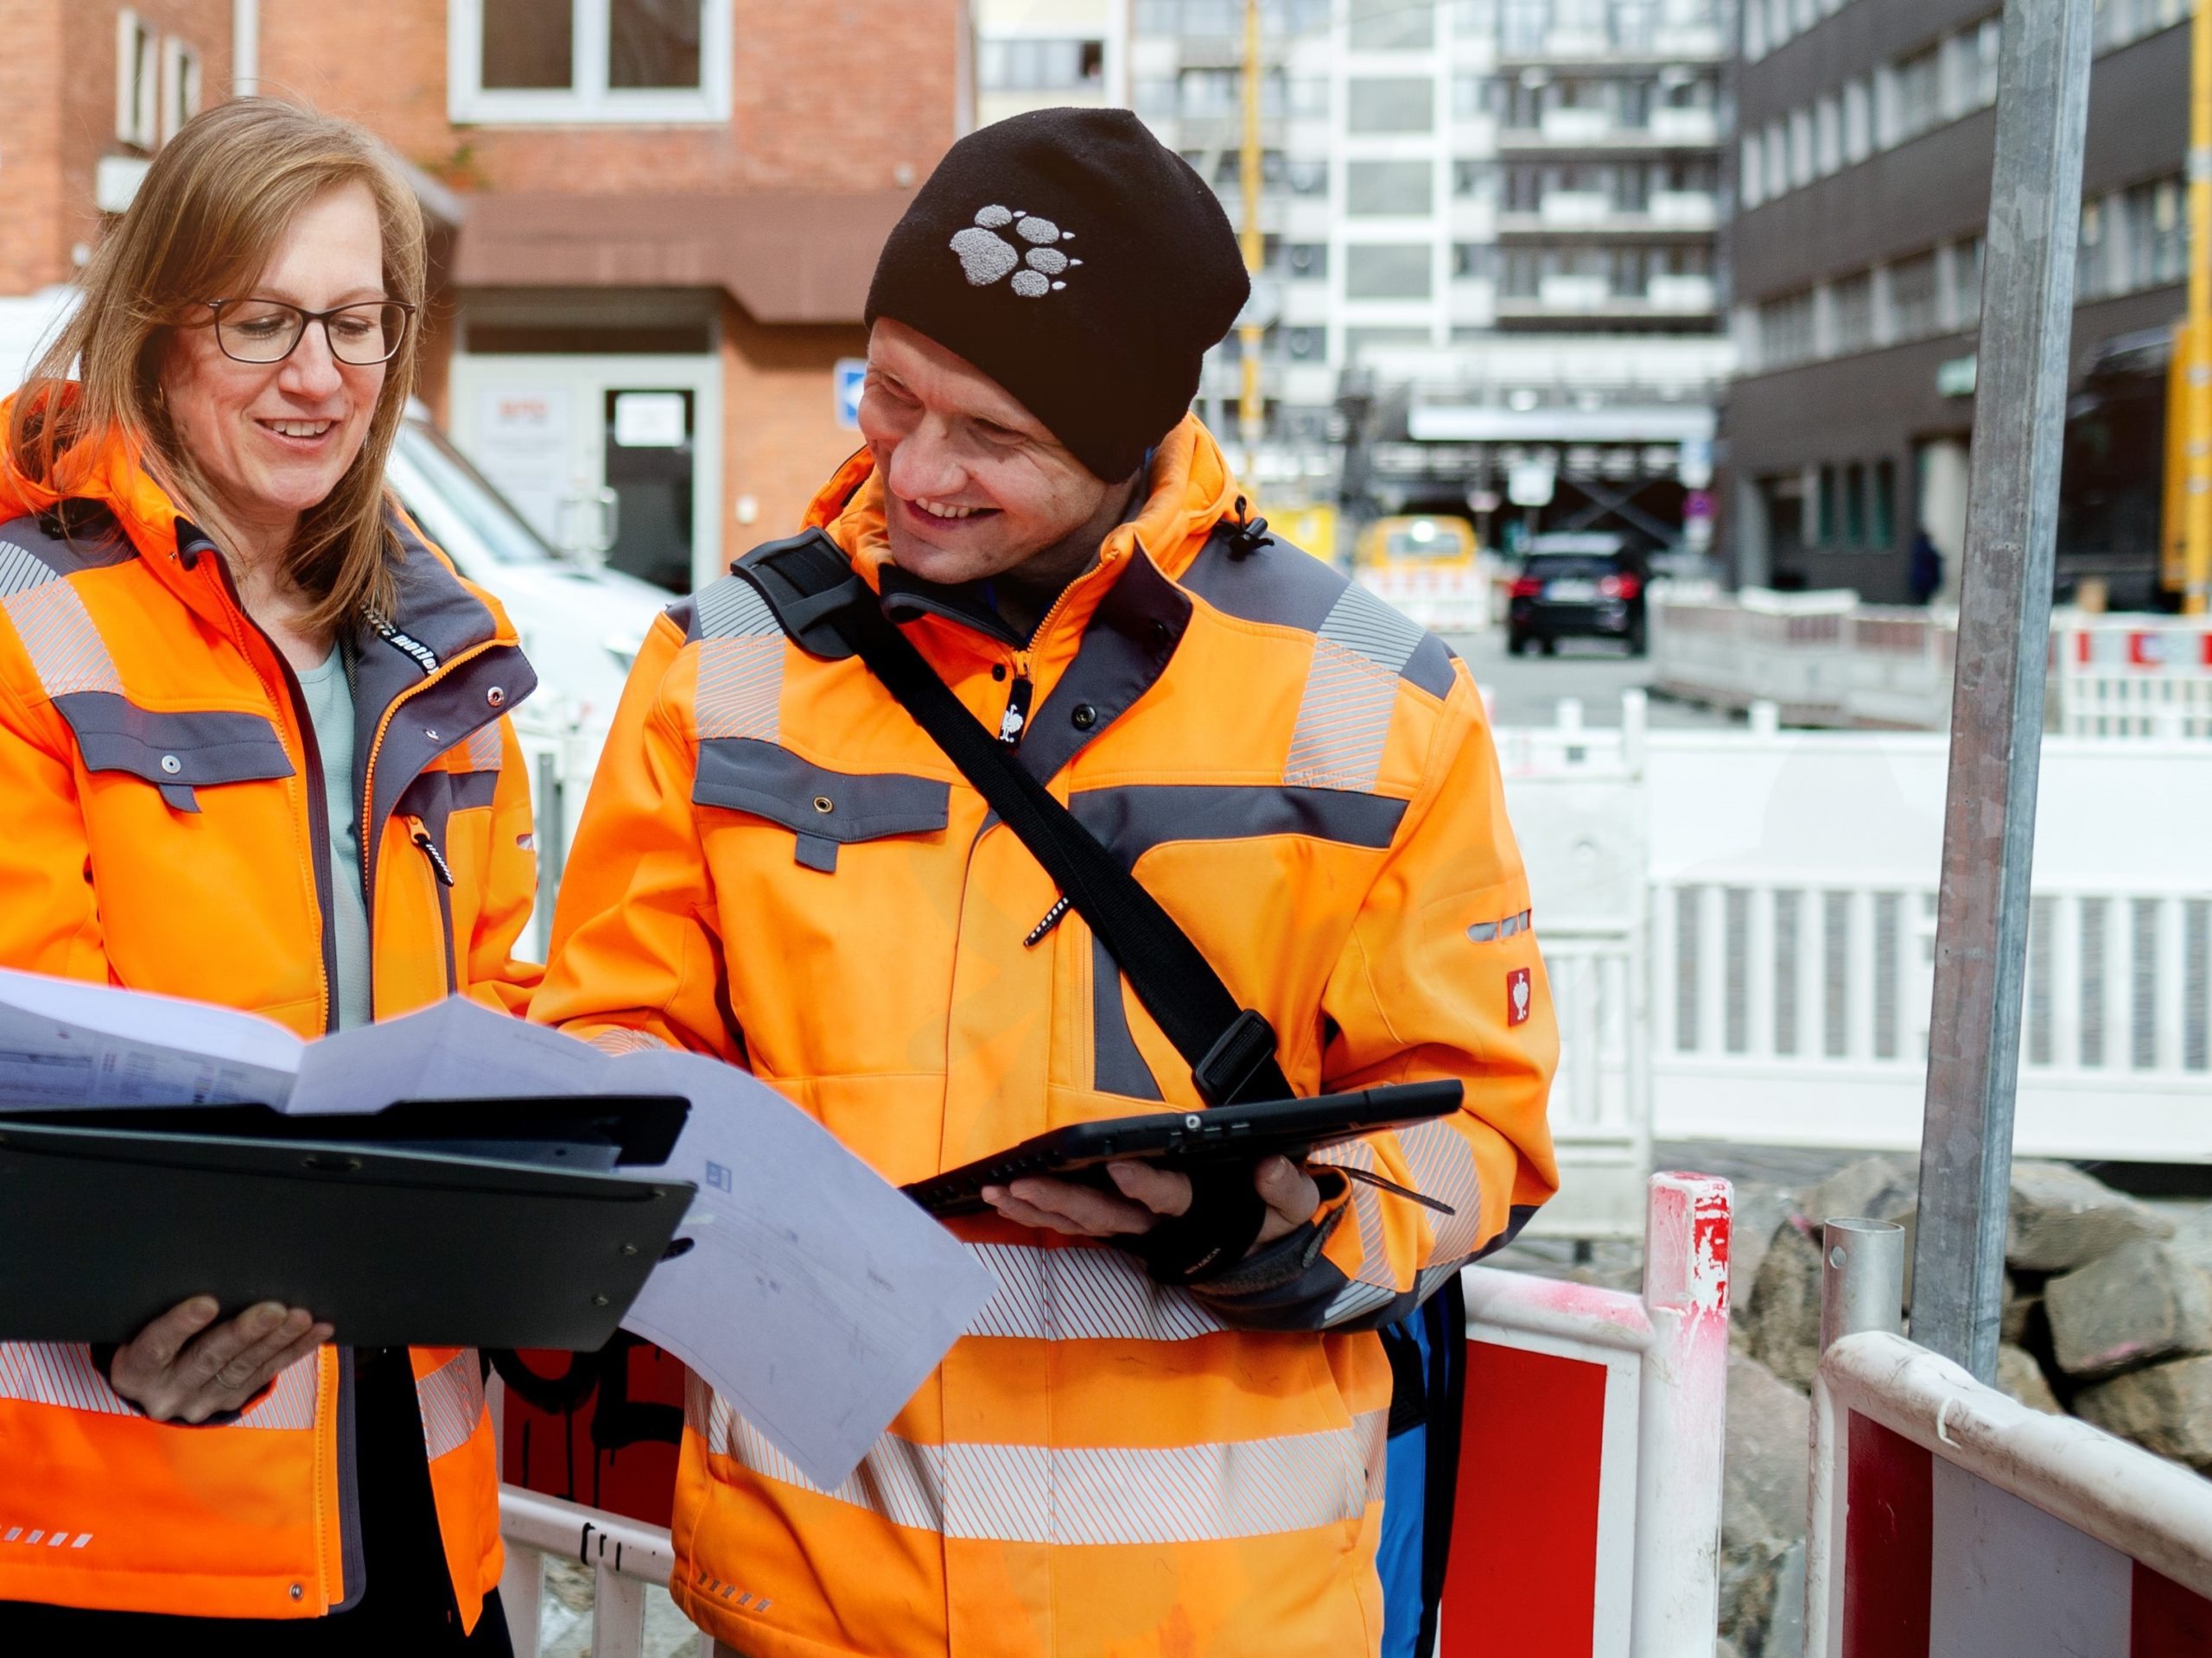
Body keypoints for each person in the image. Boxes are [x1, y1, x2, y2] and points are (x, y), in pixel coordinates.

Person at [535, 107, 1559, 1657]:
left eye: (991, 435)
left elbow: (1478, 1125)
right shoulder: (723, 663)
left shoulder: (1377, 702)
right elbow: (620, 1028)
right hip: (804, 1601)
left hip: (1220, 1617)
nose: (912, 469)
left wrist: (1271, 1217)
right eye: (889, 390)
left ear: (1132, 432)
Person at [0, 100, 540, 1650]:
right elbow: (32, 1063)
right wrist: (123, 1307)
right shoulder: (28, 623)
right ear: (158, 325)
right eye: (263, 321)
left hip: (420, 1527)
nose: (321, 378)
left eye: (360, 322)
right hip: (130, 1520)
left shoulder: (448, 649)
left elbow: (502, 1005)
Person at [1909, 530, 1943, 605]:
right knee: (1924, 598)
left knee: (1922, 599)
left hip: (1920, 579)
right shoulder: (1925, 548)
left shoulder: (1917, 548)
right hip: (1925, 578)